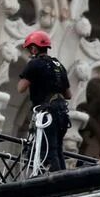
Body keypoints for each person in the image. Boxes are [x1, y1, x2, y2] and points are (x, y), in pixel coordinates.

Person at [15, 30, 72, 173]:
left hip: (48, 114)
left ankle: (55, 182)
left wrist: (30, 75)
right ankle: (64, 178)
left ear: (34, 48)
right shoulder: (58, 65)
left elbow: (20, 88)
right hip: (62, 113)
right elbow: (68, 94)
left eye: (30, 49)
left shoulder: (34, 64)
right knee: (58, 149)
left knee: (48, 150)